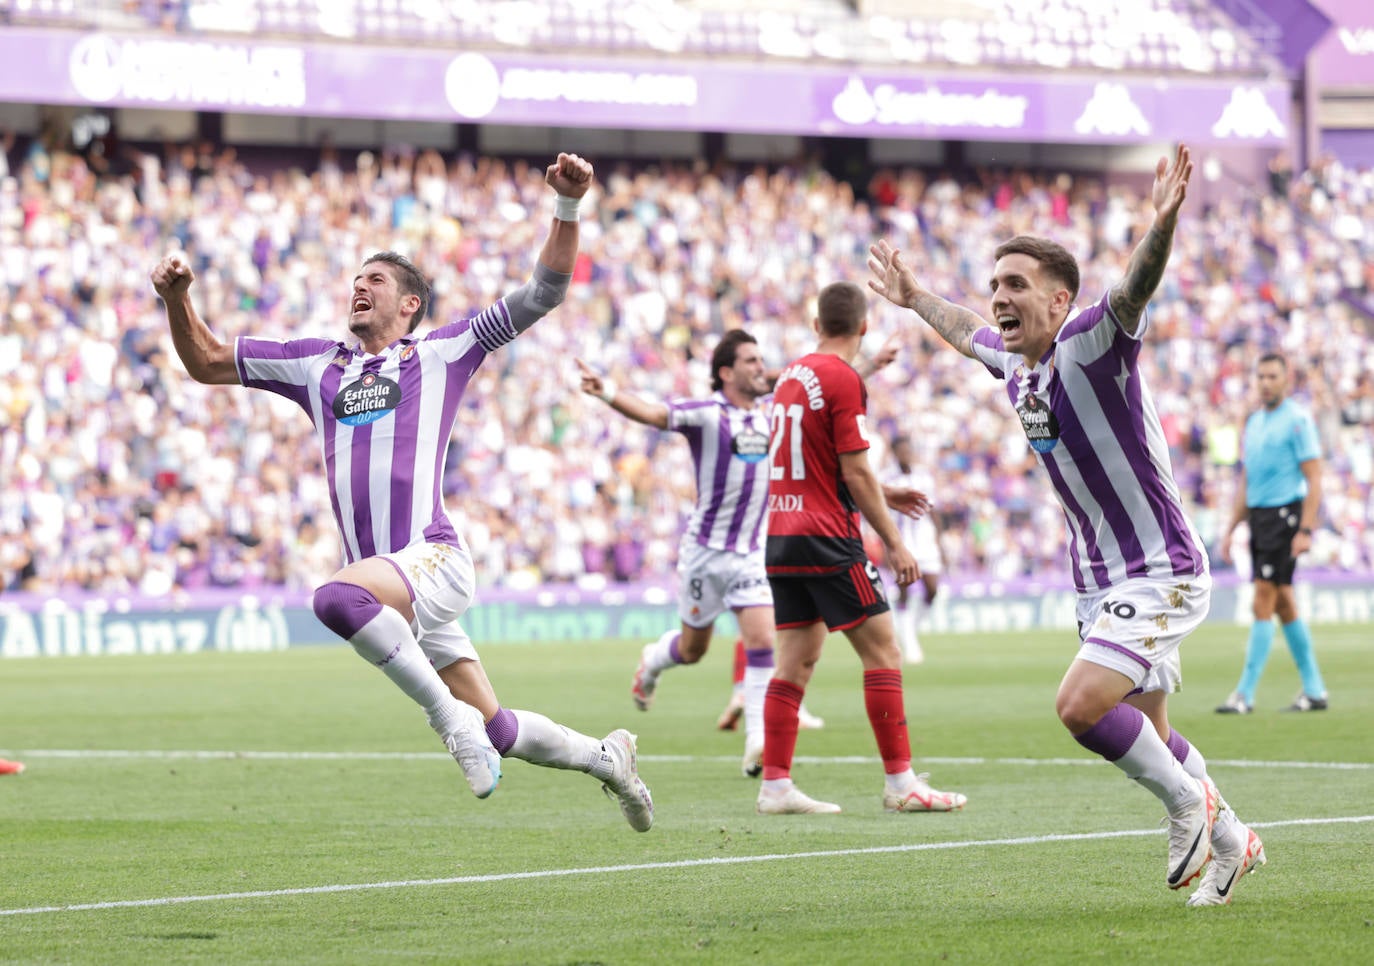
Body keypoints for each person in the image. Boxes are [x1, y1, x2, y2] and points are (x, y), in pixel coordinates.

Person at [150, 152, 653, 832]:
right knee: (498, 728)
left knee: (335, 597)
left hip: (430, 558)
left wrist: (566, 205)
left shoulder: (443, 352)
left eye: (377, 280)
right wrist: (178, 299)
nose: (361, 287)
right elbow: (207, 362)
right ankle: (606, 758)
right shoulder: (313, 364)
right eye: (356, 280)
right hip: (398, 591)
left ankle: (448, 723)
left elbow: (544, 293)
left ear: (409, 304)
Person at [867, 144, 1264, 905]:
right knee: (1155, 732)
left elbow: (1134, 289)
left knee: (1080, 707)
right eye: (994, 285)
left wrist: (1163, 224)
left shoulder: (1092, 340)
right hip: (1099, 579)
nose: (998, 298)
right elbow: (962, 331)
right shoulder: (1017, 364)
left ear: (1058, 301)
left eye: (1016, 285)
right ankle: (1234, 842)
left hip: (1159, 568)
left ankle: (1189, 805)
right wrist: (917, 296)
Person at [756, 280, 967, 816]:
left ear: (815, 325)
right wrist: (895, 543)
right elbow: (851, 465)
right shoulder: (844, 378)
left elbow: (822, 463)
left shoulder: (791, 376)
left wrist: (884, 491)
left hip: (781, 537)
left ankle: (776, 785)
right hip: (827, 538)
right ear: (864, 326)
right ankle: (901, 783)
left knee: (795, 663)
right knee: (884, 650)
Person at [576, 331, 779, 777]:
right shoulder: (707, 413)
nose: (759, 367)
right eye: (750, 360)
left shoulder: (770, 414)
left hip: (749, 553)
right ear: (726, 372)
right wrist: (608, 391)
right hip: (705, 554)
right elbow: (654, 413)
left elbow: (803, 378)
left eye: (761, 359)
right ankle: (653, 660)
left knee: (763, 641)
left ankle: (758, 741)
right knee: (692, 650)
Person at [1216, 353, 1327, 714]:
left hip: (1285, 515)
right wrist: (1232, 527)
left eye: (1272, 376)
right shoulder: (1254, 423)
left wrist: (1306, 529)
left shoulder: (1298, 420)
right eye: (1260, 376)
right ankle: (1314, 690)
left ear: (1286, 379)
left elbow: (1314, 478)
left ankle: (1244, 695)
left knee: (1262, 598)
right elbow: (1247, 478)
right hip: (1260, 519)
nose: (1265, 382)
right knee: (1282, 602)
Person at [882, 434, 944, 664]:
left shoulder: (923, 476)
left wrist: (940, 540)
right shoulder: (886, 478)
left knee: (932, 589)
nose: (907, 454)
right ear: (895, 453)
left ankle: (910, 631)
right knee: (905, 590)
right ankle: (910, 642)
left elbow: (933, 510)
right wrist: (888, 547)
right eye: (902, 451)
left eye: (909, 450)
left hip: (925, 540)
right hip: (902, 541)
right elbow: (879, 514)